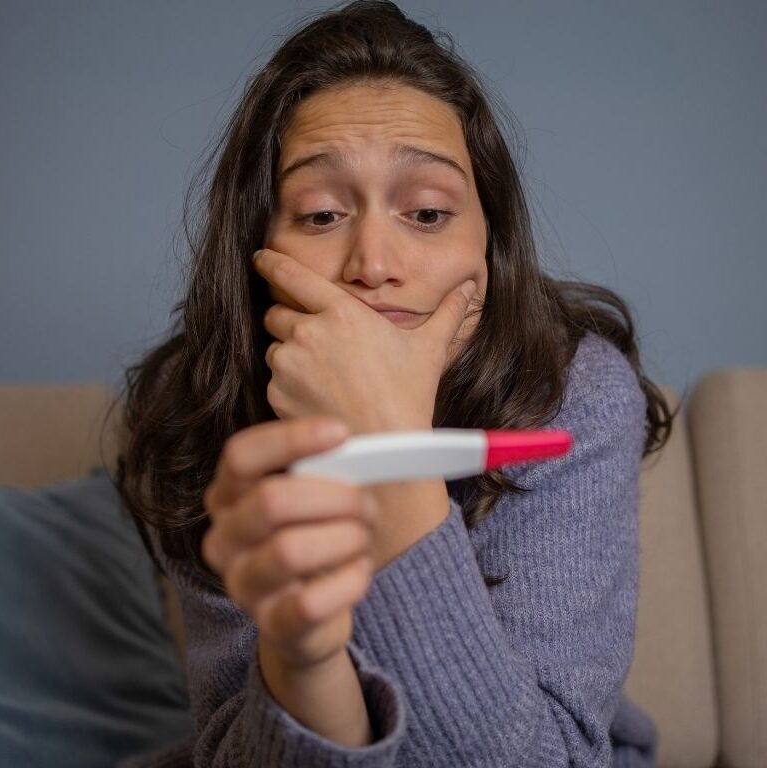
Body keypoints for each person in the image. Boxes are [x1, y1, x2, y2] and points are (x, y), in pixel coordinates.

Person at [111, 1, 676, 765]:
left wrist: (390, 447)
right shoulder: (200, 410)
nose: (374, 263)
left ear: (491, 244)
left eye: (428, 212)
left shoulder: (573, 391)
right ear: (255, 249)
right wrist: (303, 660)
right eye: (318, 215)